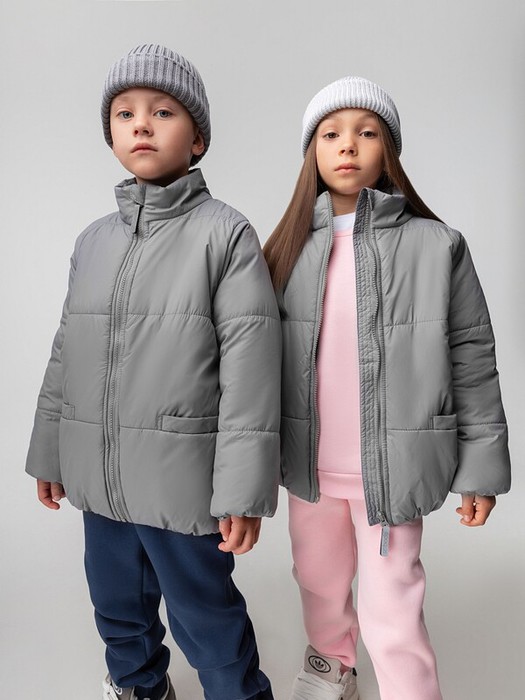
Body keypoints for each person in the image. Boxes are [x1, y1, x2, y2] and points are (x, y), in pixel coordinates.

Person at [26, 44, 281, 700]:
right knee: (117, 607)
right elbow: (67, 350)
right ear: (111, 134)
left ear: (196, 138)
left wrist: (243, 490)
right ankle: (139, 688)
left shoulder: (225, 235)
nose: (141, 123)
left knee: (206, 619)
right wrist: (50, 450)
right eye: (124, 113)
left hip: (181, 483)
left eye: (162, 112)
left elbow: (252, 369)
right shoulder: (93, 241)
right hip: (101, 478)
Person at [263, 76, 511, 700]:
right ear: (312, 153)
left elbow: (472, 359)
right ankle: (331, 669)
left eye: (366, 132)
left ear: (389, 150)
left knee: (392, 608)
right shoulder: (284, 251)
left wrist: (480, 469)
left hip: (393, 472)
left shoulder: (438, 246)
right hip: (310, 467)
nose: (348, 145)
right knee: (318, 582)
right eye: (330, 134)